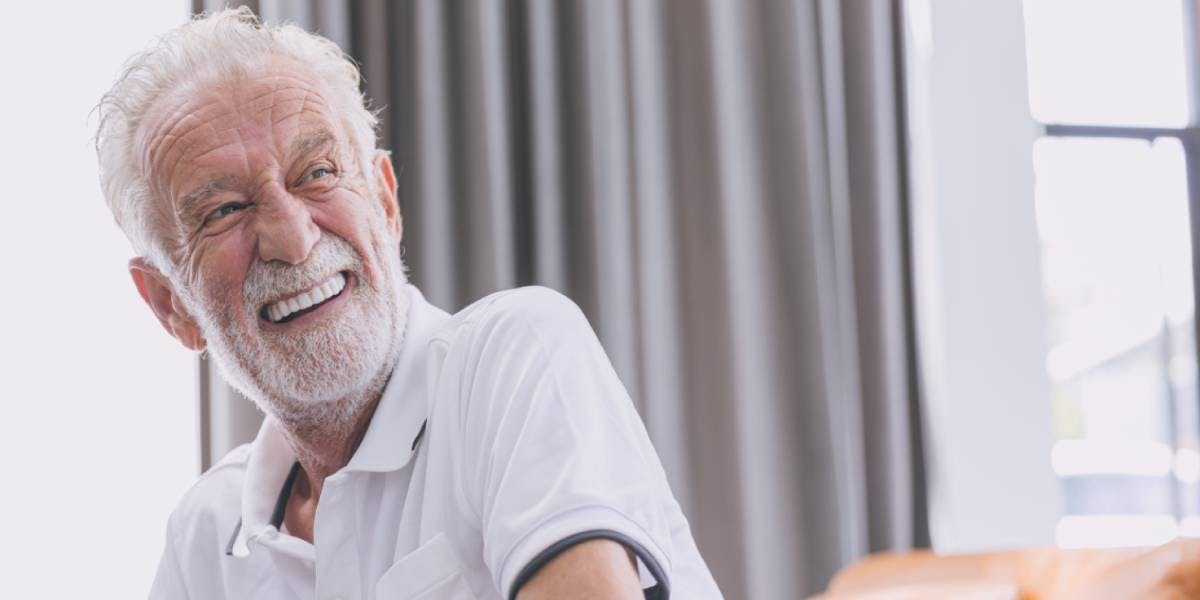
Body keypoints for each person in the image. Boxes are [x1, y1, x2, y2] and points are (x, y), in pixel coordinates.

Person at [95, 7, 720, 600]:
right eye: (225, 210)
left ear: (387, 204)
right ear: (170, 305)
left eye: (316, 173)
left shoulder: (513, 352)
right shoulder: (204, 534)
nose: (292, 237)